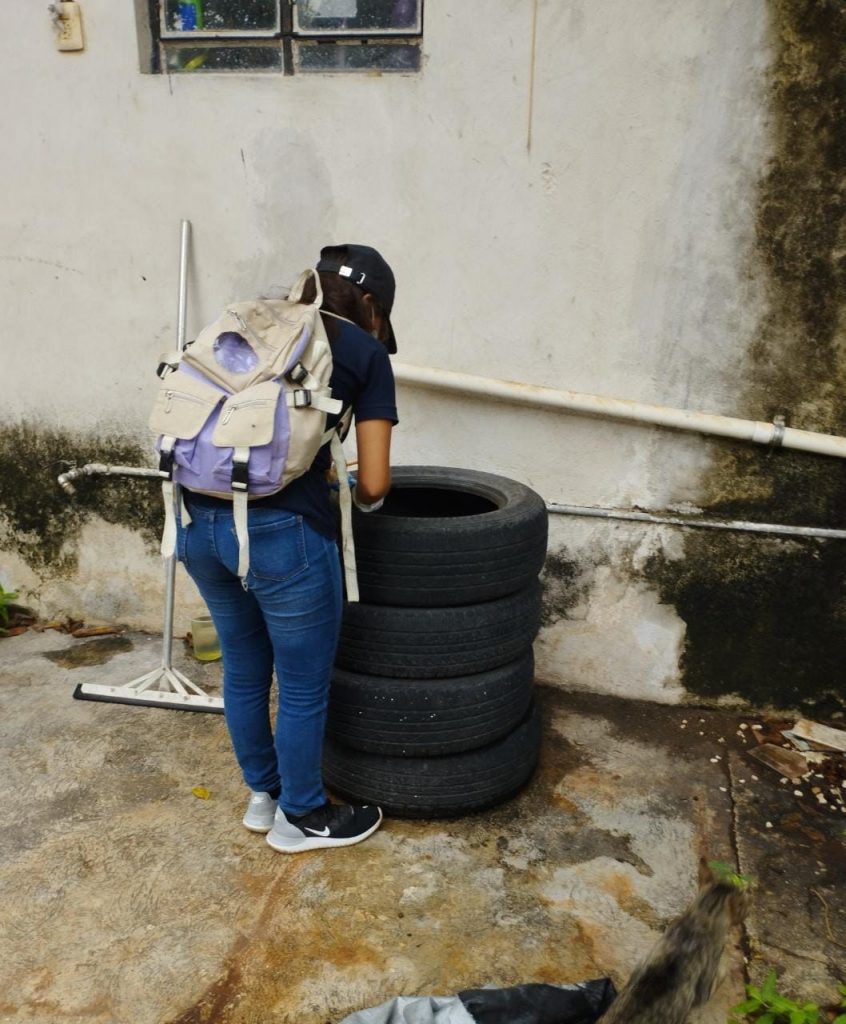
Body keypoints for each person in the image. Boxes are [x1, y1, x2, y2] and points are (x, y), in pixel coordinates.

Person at [175, 244, 398, 853]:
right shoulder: (362, 351)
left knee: (244, 668)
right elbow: (375, 483)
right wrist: (353, 496)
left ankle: (263, 797)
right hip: (285, 537)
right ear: (371, 304)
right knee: (301, 687)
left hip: (196, 525)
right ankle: (301, 815)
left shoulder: (251, 321)